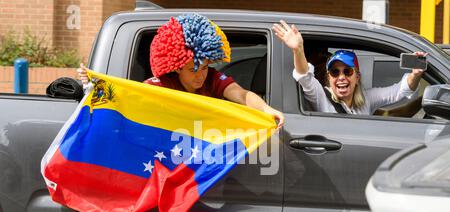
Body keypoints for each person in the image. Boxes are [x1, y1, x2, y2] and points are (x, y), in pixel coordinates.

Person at [78, 14, 284, 128]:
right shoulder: (159, 85)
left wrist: (266, 110)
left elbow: (240, 94)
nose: (201, 75)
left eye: (204, 67)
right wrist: (93, 83)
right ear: (176, 68)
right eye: (193, 69)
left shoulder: (213, 78)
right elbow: (126, 96)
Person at [272, 20, 426, 115]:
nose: (341, 77)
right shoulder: (321, 97)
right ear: (328, 77)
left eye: (347, 71)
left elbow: (399, 91)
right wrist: (297, 50)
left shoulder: (367, 100)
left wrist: (416, 73)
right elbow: (304, 76)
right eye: (334, 72)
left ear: (357, 77)